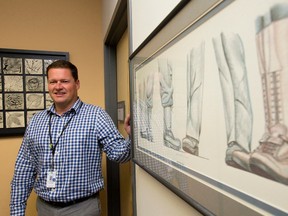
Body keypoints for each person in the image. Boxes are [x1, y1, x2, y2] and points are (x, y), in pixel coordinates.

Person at [10, 60, 131, 216]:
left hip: (82, 209)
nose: (58, 86)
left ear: (77, 84)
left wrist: (130, 136)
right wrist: (17, 212)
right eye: (53, 81)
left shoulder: (96, 116)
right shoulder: (36, 121)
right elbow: (24, 169)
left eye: (65, 81)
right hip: (45, 208)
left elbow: (119, 154)